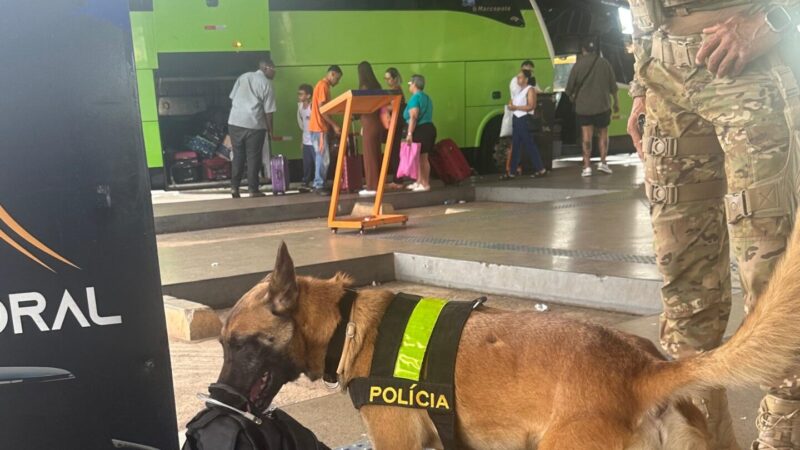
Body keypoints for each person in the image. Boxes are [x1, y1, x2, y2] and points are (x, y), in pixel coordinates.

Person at [625, 2, 800, 449]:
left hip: (747, 65)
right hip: (662, 77)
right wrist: (641, 85)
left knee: (774, 280)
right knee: (684, 291)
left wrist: (778, 19)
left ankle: (780, 437)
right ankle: (702, 437)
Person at [565, 38, 619, 178]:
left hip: (584, 108)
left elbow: (569, 88)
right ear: (595, 50)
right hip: (603, 105)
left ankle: (587, 167)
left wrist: (572, 98)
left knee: (586, 137)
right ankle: (603, 162)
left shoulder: (578, 65)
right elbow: (613, 87)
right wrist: (616, 103)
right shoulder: (605, 63)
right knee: (603, 134)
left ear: (583, 50)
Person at [227, 59, 276, 198]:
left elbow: (232, 98)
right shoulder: (267, 84)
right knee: (253, 157)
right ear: (267, 68)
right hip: (254, 126)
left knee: (238, 156)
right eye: (274, 70)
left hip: (235, 122)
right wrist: (271, 131)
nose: (275, 73)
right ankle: (252, 190)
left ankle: (234, 188)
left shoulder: (243, 77)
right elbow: (269, 113)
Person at [505, 70, 547, 179]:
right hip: (517, 119)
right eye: (517, 77)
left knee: (529, 144)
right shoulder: (519, 91)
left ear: (526, 79)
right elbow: (513, 102)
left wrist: (516, 108)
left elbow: (531, 106)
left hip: (524, 119)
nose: (518, 80)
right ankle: (512, 171)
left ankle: (540, 168)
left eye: (520, 77)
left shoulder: (530, 90)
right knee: (516, 145)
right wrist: (511, 105)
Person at [309, 65, 343, 196]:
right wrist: (334, 125)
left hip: (317, 126)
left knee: (321, 156)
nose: (337, 82)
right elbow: (322, 109)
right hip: (319, 127)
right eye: (337, 78)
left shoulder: (321, 85)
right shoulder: (323, 86)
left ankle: (318, 183)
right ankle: (319, 184)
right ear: (332, 74)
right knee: (323, 157)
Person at [404, 74, 436, 192]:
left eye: (410, 84)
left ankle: (425, 183)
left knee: (422, 158)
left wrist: (409, 133)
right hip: (429, 128)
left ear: (414, 84)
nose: (409, 86)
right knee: (419, 157)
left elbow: (413, 117)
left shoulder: (415, 98)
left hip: (420, 130)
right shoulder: (426, 97)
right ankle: (419, 182)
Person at [357, 62, 383, 197]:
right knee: (376, 153)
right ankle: (378, 183)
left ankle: (372, 186)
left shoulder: (364, 87)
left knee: (369, 156)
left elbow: (361, 106)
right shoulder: (377, 86)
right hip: (377, 122)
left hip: (368, 122)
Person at [381, 67, 406, 189]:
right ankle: (397, 180)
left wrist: (382, 106)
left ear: (395, 78)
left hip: (396, 125)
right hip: (397, 124)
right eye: (385, 78)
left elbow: (394, 107)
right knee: (394, 152)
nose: (387, 81)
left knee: (395, 152)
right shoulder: (396, 90)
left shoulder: (396, 91)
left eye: (389, 78)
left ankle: (398, 181)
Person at [296, 83, 314, 188]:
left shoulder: (313, 107)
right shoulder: (300, 108)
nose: (299, 96)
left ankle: (319, 182)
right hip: (306, 140)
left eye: (301, 94)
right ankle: (306, 181)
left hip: (315, 139)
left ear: (308, 95)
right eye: (299, 94)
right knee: (306, 163)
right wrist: (302, 141)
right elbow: (303, 125)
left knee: (318, 162)